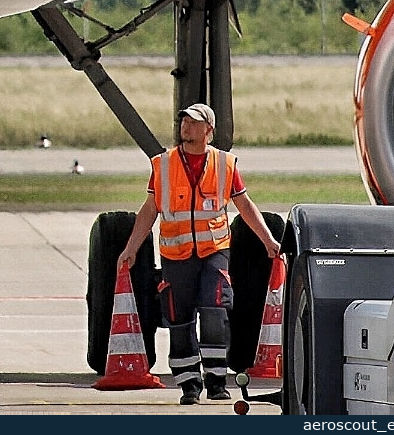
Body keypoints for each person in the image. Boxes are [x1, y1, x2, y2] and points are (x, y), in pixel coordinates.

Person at [118, 102, 282, 405]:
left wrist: (268, 240)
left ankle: (216, 381)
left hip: (214, 251)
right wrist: (131, 248)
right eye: (183, 122)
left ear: (209, 130)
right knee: (178, 319)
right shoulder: (163, 165)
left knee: (215, 310)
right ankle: (188, 384)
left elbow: (244, 205)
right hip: (176, 255)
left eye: (193, 123)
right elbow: (149, 210)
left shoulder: (225, 164)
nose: (185, 127)